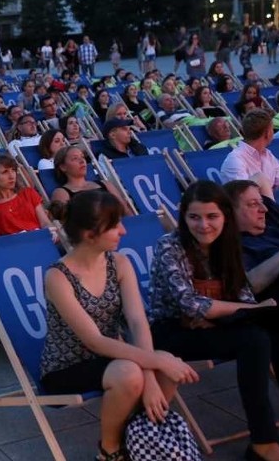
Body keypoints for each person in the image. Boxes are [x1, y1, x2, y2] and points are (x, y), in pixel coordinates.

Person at [41, 190, 198, 461]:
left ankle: (138, 438)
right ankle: (109, 450)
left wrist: (152, 374)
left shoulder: (119, 263)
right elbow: (95, 341)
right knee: (133, 372)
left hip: (114, 358)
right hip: (66, 367)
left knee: (164, 366)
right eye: (114, 226)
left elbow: (137, 322)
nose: (123, 231)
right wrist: (154, 364)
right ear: (90, 235)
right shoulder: (58, 277)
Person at [149, 181, 279, 461]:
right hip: (174, 330)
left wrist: (237, 311)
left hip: (219, 322)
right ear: (184, 217)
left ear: (224, 216)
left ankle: (264, 440)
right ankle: (263, 442)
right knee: (256, 339)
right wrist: (241, 310)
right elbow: (189, 304)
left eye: (212, 216)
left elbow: (244, 294)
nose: (203, 225)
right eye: (194, 217)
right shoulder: (171, 246)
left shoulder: (227, 244)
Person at [225, 180, 279, 303]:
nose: (264, 209)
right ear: (230, 212)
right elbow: (250, 286)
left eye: (262, 203)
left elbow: (260, 177)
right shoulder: (232, 245)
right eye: (253, 204)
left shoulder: (273, 223)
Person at [0, 154, 51, 237]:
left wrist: (51, 232)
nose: (12, 176)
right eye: (5, 172)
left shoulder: (28, 193)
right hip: (14, 245)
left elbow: (45, 222)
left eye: (13, 170)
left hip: (41, 238)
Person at [220, 109, 279, 193]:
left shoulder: (268, 155)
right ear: (267, 133)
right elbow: (246, 197)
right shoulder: (235, 160)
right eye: (272, 129)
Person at [50, 145, 132, 215]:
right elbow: (66, 224)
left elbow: (125, 210)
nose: (82, 161)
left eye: (82, 157)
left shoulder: (105, 184)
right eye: (75, 158)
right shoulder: (62, 193)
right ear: (63, 167)